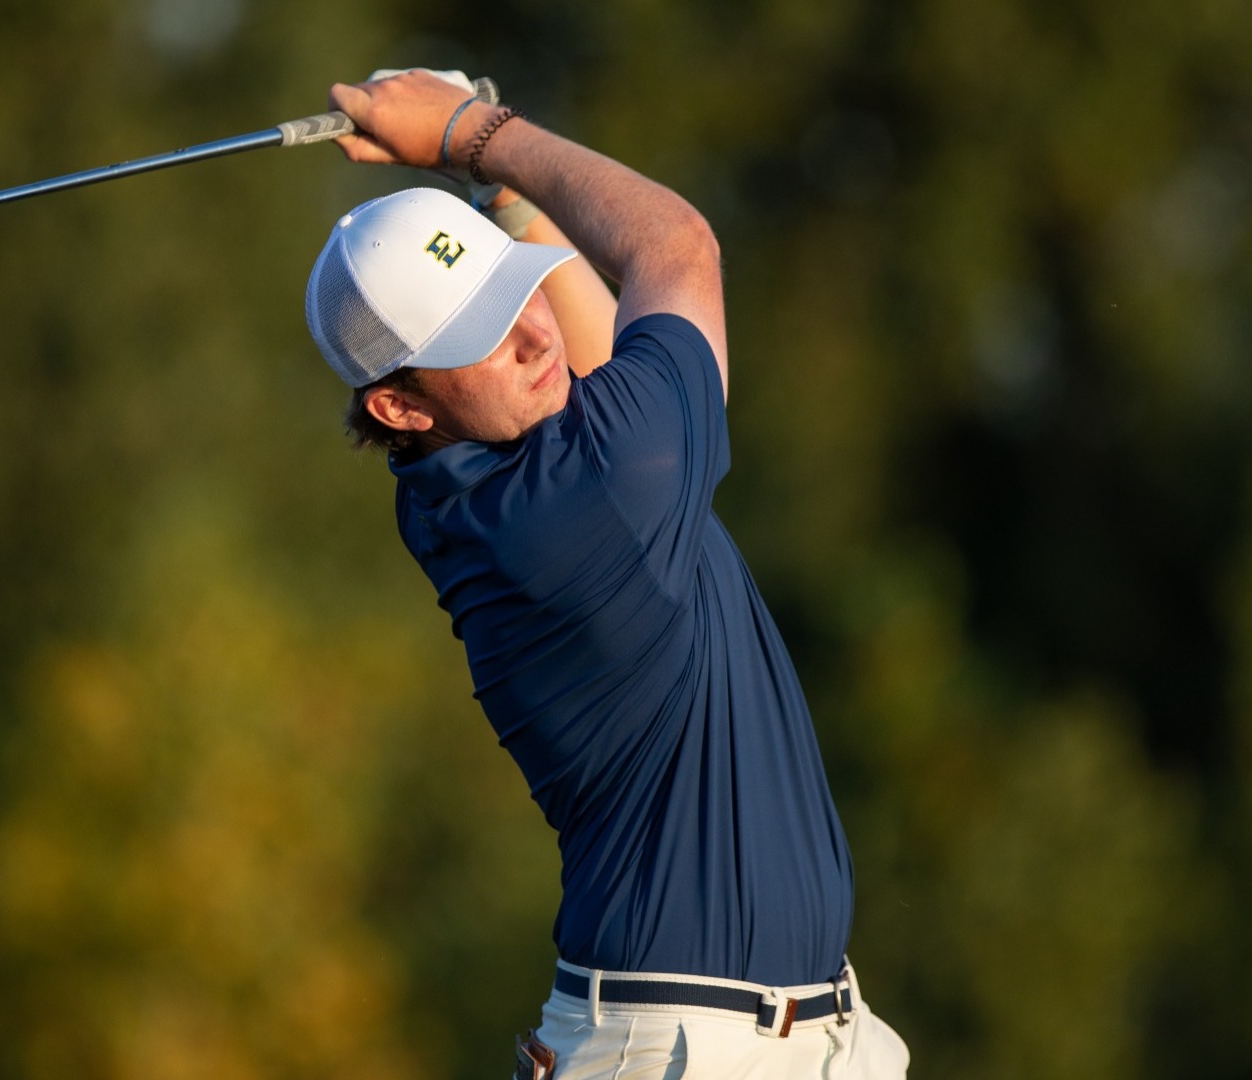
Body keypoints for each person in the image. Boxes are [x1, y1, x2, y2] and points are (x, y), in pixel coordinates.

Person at [304, 70, 910, 1079]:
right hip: (682, 1049)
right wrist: (479, 135)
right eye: (478, 335)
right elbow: (676, 251)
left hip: (792, 1039)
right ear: (401, 409)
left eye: (510, 291)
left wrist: (500, 205)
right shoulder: (584, 501)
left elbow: (583, 350)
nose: (532, 333)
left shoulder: (482, 471)